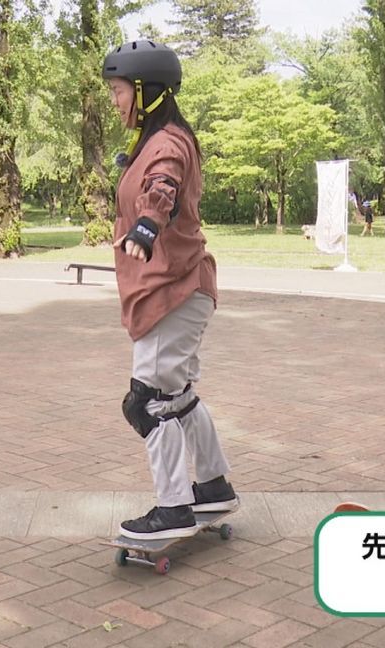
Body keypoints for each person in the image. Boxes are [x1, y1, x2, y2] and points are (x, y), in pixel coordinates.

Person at [102, 40, 238, 540]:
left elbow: (164, 186)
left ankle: (174, 506)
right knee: (177, 397)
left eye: (119, 91)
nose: (114, 101)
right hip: (175, 289)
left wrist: (146, 226)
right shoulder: (156, 139)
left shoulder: (166, 144)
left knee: (147, 402)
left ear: (146, 91)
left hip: (173, 291)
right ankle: (214, 486)